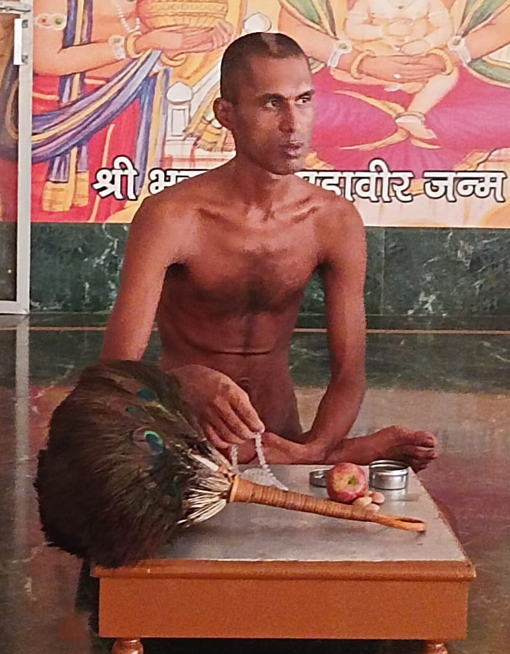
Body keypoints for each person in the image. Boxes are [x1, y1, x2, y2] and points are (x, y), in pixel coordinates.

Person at [101, 31, 437, 471]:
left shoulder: (333, 220)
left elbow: (349, 375)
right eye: (271, 103)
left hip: (282, 435)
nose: (292, 124)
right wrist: (183, 383)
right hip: (187, 437)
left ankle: (324, 456)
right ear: (226, 114)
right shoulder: (172, 217)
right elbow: (114, 374)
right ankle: (345, 454)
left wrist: (313, 449)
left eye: (304, 100)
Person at [28, 0, 233, 222]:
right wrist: (139, 44)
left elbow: (141, 65)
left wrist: (182, 47)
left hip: (125, 108)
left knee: (111, 207)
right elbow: (45, 59)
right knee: (62, 215)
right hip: (66, 118)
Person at [278, 0, 510, 176]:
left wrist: (443, 58)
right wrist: (361, 62)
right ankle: (383, 123)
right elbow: (294, 30)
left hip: (443, 91)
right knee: (280, 113)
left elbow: (502, 26)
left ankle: (420, 120)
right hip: (350, 85)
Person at [344, 0, 458, 140]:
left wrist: (427, 43)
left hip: (416, 52)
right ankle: (392, 83)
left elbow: (446, 28)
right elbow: (352, 29)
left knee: (448, 73)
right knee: (354, 69)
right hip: (379, 51)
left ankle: (413, 114)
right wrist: (384, 30)